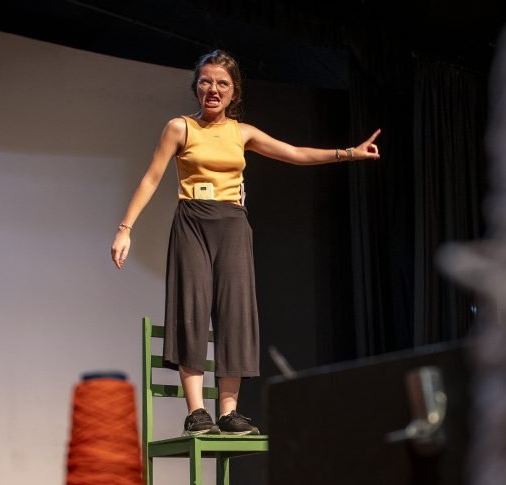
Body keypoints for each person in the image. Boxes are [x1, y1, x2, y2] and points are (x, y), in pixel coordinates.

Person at [111, 49, 380, 436]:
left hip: (233, 224)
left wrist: (349, 153)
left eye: (222, 83)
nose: (213, 89)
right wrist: (126, 228)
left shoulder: (242, 133)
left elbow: (294, 153)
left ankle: (228, 411)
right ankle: (196, 412)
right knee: (191, 308)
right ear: (196, 87)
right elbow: (152, 178)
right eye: (206, 81)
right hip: (193, 220)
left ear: (234, 92)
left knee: (235, 312)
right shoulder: (180, 128)